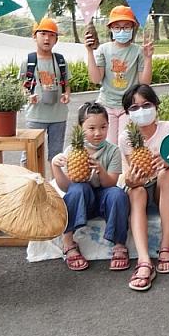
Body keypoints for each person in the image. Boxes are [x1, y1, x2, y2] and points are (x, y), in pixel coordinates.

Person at [51, 102, 130, 272]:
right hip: (82, 200)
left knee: (118, 194)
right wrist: (55, 167)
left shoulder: (113, 150)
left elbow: (111, 183)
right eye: (91, 128)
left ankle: (119, 244)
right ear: (80, 128)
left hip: (103, 198)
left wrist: (100, 170)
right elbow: (66, 187)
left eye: (103, 127)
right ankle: (68, 242)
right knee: (78, 188)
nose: (98, 133)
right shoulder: (72, 150)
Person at [118, 84, 169, 291]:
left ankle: (166, 246)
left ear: (156, 106)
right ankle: (144, 261)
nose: (141, 111)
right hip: (141, 189)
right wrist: (132, 181)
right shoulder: (125, 138)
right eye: (134, 108)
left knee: (167, 174)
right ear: (127, 114)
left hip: (164, 189)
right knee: (136, 191)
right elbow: (128, 176)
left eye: (146, 105)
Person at [85, 6, 154, 142]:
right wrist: (89, 52)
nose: (122, 30)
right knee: (108, 144)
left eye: (126, 27)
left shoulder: (138, 51)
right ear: (111, 29)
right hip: (107, 104)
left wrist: (148, 58)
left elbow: (145, 83)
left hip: (129, 106)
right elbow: (95, 78)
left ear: (132, 28)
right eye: (117, 27)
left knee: (126, 142)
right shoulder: (104, 50)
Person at [20, 18, 71, 164]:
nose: (47, 38)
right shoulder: (29, 61)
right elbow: (23, 87)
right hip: (36, 115)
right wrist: (29, 97)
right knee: (29, 154)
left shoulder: (60, 60)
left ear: (56, 39)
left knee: (56, 156)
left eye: (51, 35)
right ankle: (26, 185)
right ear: (34, 37)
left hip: (58, 115)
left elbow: (66, 83)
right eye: (42, 34)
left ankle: (54, 185)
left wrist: (66, 95)